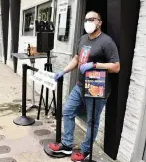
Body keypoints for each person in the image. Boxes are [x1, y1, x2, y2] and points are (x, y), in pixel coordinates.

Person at [49, 11, 120, 161]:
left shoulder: (107, 42)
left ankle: (85, 150)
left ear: (99, 22)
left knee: (92, 121)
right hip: (80, 86)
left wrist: (95, 64)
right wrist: (64, 71)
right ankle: (67, 145)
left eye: (92, 19)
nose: (88, 22)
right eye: (86, 19)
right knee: (67, 111)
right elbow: (76, 59)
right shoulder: (82, 39)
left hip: (96, 89)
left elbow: (116, 67)